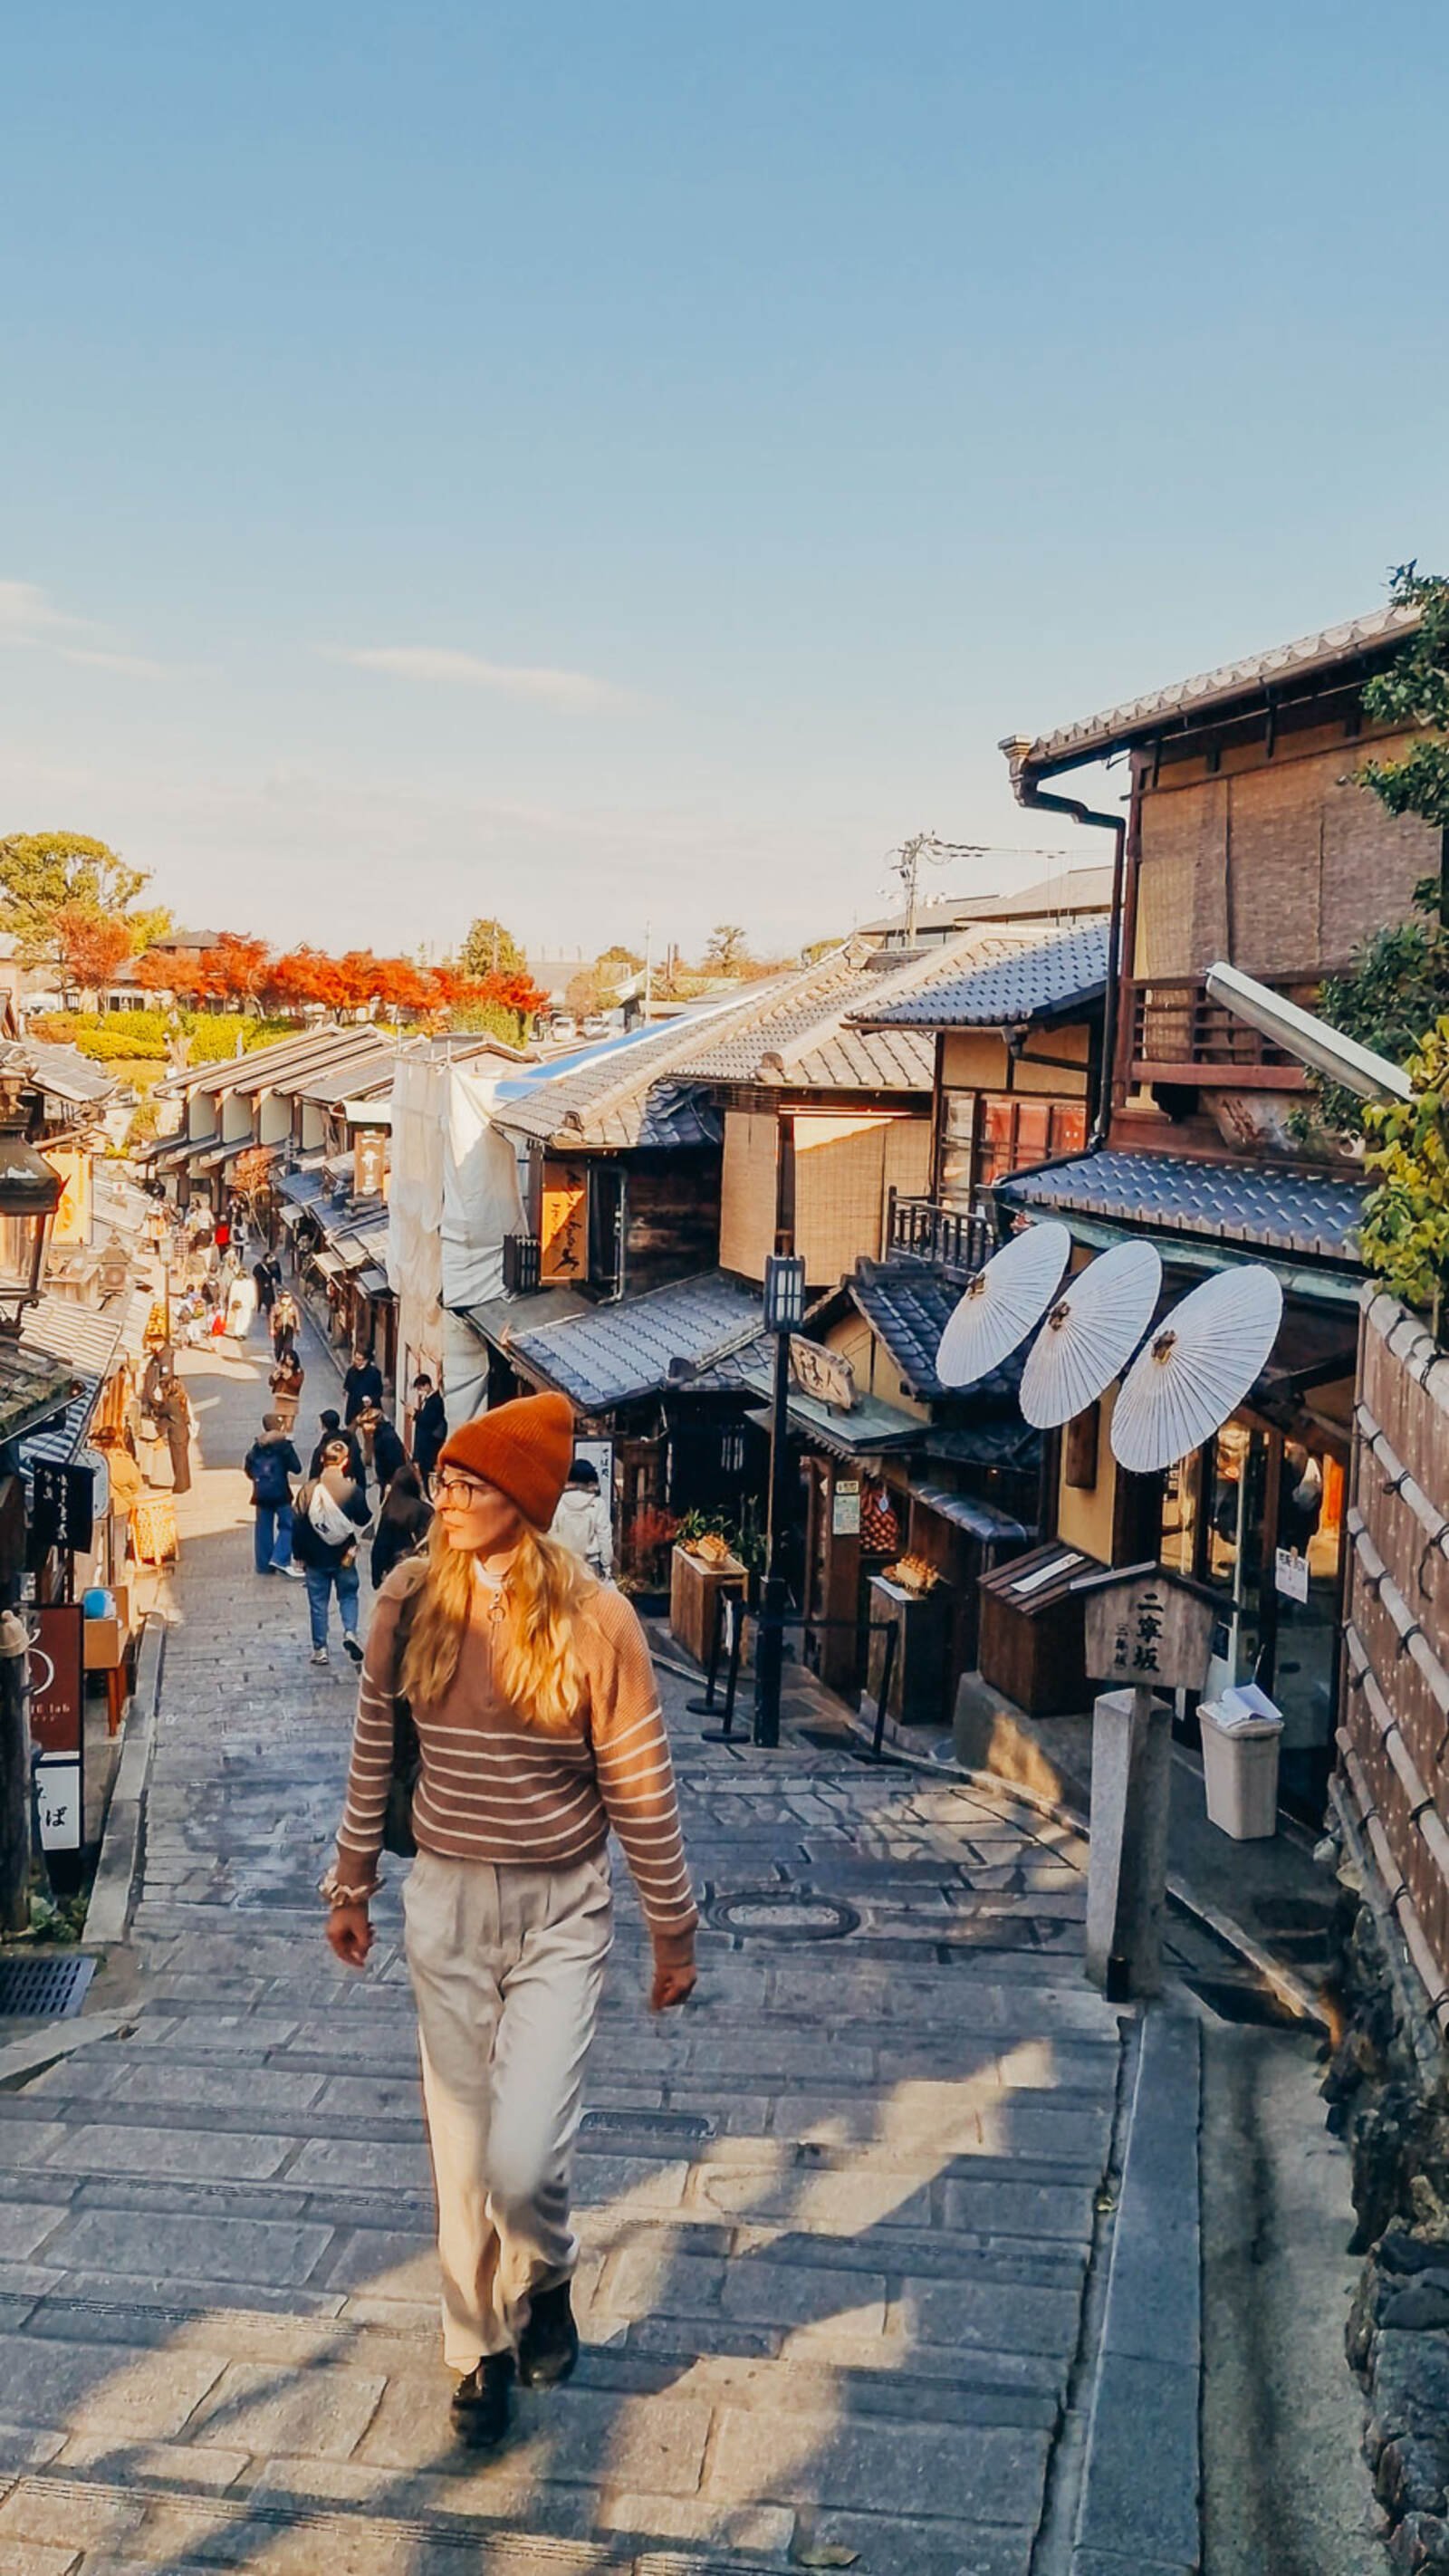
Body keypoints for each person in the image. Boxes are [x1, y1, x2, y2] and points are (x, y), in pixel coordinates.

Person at [321, 1390, 697, 2453]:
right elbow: (372, 1758)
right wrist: (351, 1884)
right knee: (462, 2148)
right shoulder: (408, 1598)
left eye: (470, 1484)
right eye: (444, 1480)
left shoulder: (595, 1622)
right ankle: (475, 2348)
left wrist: (673, 1928)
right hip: (443, 1895)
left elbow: (639, 1783)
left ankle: (545, 2273)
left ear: (523, 1501)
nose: (445, 1499)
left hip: (560, 1908)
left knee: (524, 2158)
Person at [291, 1436, 371, 1667]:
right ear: (344, 1462)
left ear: (322, 1460)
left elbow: (297, 1522)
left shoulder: (308, 1489)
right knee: (348, 1595)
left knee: (318, 1602)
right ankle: (350, 1632)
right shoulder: (351, 1489)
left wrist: (298, 1554)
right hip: (344, 1554)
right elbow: (364, 1517)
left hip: (315, 1556)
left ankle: (320, 1649)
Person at [244, 1412, 305, 1577]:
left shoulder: (257, 1445)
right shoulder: (283, 1445)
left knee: (262, 1529)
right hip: (281, 1493)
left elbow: (249, 1468)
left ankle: (263, 1565)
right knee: (289, 1525)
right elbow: (297, 1468)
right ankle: (280, 1557)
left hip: (261, 1493)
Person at [369, 1460, 432, 1589]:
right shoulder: (425, 1510)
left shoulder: (389, 1511)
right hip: (420, 1571)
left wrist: (376, 1579)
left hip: (396, 1571)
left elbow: (380, 1547)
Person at [549, 1457, 613, 1581]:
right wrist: (606, 1564)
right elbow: (604, 1536)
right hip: (590, 1565)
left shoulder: (558, 1502)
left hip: (564, 1564)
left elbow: (551, 1534)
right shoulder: (597, 1503)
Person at [310, 1408, 367, 1491]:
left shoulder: (322, 1449)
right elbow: (359, 1468)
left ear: (323, 1425)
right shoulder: (351, 1441)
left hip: (329, 1488)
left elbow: (314, 1475)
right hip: (349, 1486)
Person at [155, 1376, 194, 1496]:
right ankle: (186, 1483)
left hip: (176, 1434)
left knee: (178, 1461)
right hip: (184, 1431)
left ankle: (180, 1485)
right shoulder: (182, 1397)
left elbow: (160, 1411)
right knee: (183, 1459)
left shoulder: (170, 1401)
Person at [358, 1399, 406, 1492]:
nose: (364, 1428)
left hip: (392, 1481)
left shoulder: (387, 1438)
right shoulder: (379, 1434)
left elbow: (394, 1461)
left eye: (365, 1424)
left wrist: (390, 1481)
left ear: (374, 1422)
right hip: (385, 1479)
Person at [410, 1373, 447, 1487]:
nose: (419, 1392)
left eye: (420, 1389)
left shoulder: (435, 1401)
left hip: (429, 1444)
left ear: (427, 1386)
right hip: (425, 1444)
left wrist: (415, 1414)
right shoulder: (429, 1400)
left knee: (427, 1471)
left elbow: (429, 1420)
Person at [343, 1347, 384, 1427]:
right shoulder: (351, 1371)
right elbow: (347, 1386)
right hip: (354, 1410)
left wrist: (371, 1399)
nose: (357, 1362)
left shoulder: (374, 1373)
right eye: (356, 1358)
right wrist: (345, 1391)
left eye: (360, 1360)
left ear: (366, 1361)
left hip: (369, 1412)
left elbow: (379, 1391)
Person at [269, 1348, 305, 1435]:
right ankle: (279, 1441)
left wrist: (287, 1376)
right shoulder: (280, 1368)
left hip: (291, 1401)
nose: (288, 1361)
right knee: (278, 1425)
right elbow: (271, 1382)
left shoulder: (298, 1372)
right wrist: (275, 1376)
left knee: (289, 1425)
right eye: (287, 1358)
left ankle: (288, 1441)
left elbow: (296, 1385)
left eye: (291, 1359)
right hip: (280, 1399)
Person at [272, 1288, 301, 1360]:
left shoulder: (293, 1308)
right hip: (278, 1329)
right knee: (278, 1347)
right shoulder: (276, 1307)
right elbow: (272, 1317)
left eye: (288, 1298)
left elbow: (297, 1318)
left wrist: (297, 1328)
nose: (286, 1300)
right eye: (284, 1298)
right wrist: (272, 1328)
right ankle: (277, 1360)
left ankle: (285, 1360)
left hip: (289, 1329)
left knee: (288, 1347)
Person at [253, 1253, 281, 1319]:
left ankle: (269, 1310)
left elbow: (277, 1273)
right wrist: (261, 1279)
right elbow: (255, 1273)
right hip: (261, 1284)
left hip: (269, 1284)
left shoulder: (272, 1265)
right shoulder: (259, 1266)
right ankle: (261, 1308)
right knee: (261, 1296)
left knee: (270, 1298)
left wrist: (277, 1280)